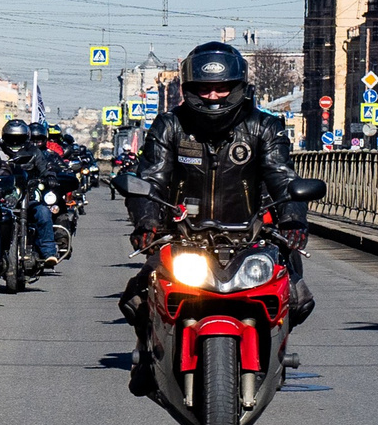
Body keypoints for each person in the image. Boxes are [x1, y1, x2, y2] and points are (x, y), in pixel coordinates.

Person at [120, 42, 310, 398]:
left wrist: (293, 222)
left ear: (238, 86)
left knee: (297, 297)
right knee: (138, 298)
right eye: (204, 88)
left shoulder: (263, 126)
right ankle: (146, 360)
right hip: (181, 235)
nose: (213, 96)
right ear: (189, 89)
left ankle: (278, 357)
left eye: (221, 87)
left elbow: (282, 178)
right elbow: (151, 179)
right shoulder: (169, 126)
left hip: (249, 236)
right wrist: (147, 224)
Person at [0, 118, 68, 267]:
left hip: (28, 193)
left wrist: (50, 177)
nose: (15, 142)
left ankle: (49, 252)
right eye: (12, 138)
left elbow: (45, 168)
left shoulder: (34, 152)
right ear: (5, 137)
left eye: (19, 138)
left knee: (43, 212)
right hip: (3, 195)